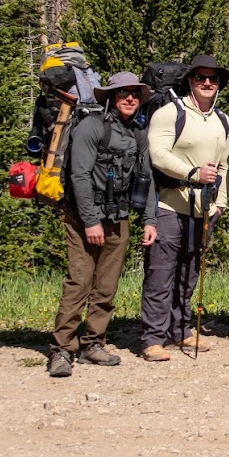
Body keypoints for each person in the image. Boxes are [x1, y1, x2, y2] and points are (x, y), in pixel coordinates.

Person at [48, 72, 158, 378]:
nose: (130, 98)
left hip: (118, 217)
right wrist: (91, 220)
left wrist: (149, 220)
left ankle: (93, 342)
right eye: (123, 93)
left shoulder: (137, 134)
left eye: (135, 94)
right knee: (80, 281)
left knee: (106, 285)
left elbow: (146, 180)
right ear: (110, 96)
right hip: (85, 217)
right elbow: (79, 176)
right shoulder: (90, 127)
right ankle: (61, 349)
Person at [139, 55, 229, 361]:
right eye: (200, 78)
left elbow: (224, 166)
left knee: (189, 272)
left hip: (203, 208)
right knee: (161, 272)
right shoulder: (170, 113)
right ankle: (153, 337)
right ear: (189, 81)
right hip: (169, 202)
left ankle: (179, 330)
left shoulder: (223, 120)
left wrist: (220, 203)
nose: (207, 83)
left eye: (213, 79)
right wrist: (192, 174)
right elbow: (158, 153)